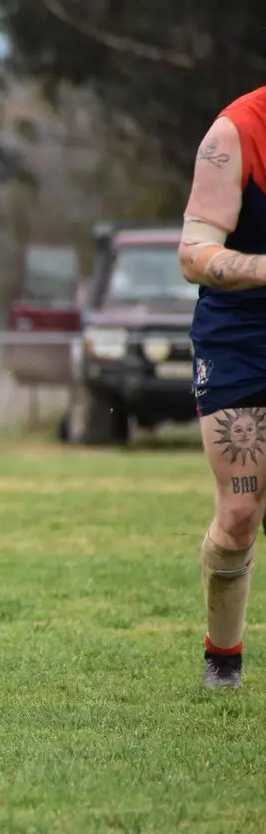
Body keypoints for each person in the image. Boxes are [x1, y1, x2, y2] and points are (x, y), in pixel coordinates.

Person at [179, 86, 266, 689]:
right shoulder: (237, 132)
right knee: (239, 511)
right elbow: (193, 255)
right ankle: (223, 659)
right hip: (240, 333)